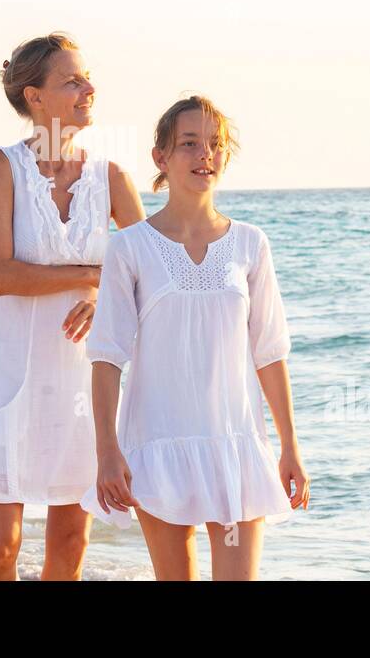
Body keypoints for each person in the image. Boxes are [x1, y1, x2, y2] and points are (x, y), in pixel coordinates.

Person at [81, 95, 311, 580]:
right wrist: (107, 451)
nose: (205, 154)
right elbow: (106, 358)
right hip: (157, 444)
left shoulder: (250, 243)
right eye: (189, 143)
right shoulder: (130, 247)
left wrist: (290, 446)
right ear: (161, 157)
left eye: (215, 144)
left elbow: (270, 353)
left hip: (235, 444)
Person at [0, 33, 145, 580]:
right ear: (34, 96)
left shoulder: (111, 177)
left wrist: (105, 295)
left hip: (81, 388)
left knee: (70, 542)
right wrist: (93, 276)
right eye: (72, 81)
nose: (88, 89)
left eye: (88, 79)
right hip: (7, 377)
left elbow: (151, 274)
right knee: (1, 547)